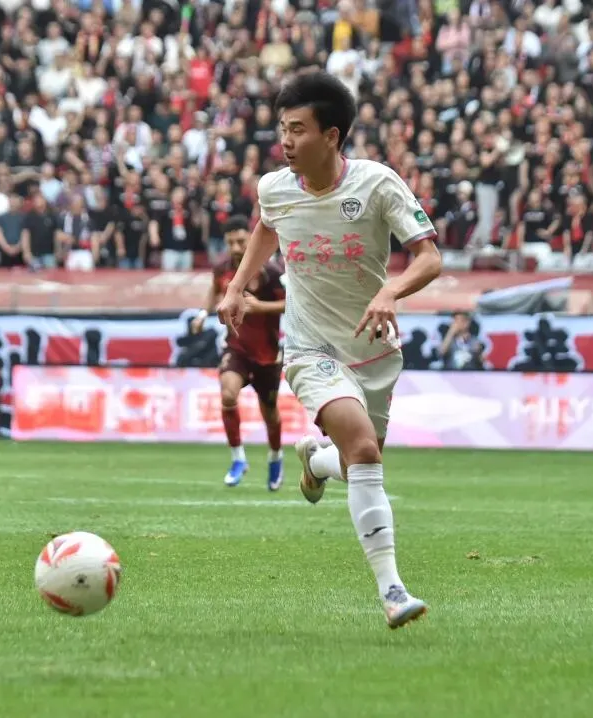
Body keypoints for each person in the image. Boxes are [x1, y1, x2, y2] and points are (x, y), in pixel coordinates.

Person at [216, 72, 442, 629]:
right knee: (364, 451)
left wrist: (390, 291)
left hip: (374, 349)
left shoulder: (377, 184)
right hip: (309, 347)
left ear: (332, 136)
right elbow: (267, 227)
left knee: (354, 458)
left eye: (298, 130)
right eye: (282, 129)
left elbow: (429, 257)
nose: (285, 141)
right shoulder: (275, 187)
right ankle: (393, 591)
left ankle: (316, 462)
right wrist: (238, 286)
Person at [191, 215, 287, 490]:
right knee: (228, 395)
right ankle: (238, 459)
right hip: (237, 348)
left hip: (267, 353)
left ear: (251, 239)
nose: (235, 248)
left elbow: (293, 304)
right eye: (230, 242)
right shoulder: (222, 269)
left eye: (241, 241)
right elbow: (215, 290)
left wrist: (259, 307)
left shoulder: (271, 272)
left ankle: (275, 457)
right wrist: (202, 314)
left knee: (270, 413)